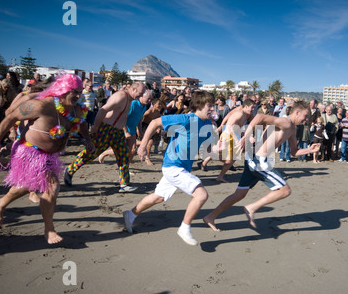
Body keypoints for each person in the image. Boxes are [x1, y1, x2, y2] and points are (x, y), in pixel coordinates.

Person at [0, 74, 94, 244]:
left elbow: (82, 123)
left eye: (80, 92)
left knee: (27, 185)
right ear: (62, 91)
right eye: (74, 92)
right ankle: (49, 229)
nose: (78, 96)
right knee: (52, 186)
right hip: (29, 151)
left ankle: (0, 204)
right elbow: (10, 118)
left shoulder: (75, 109)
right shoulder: (41, 106)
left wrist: (87, 140)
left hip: (50, 155)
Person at [203, 100, 320, 232]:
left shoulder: (292, 129)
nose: (306, 119)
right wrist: (244, 137)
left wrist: (310, 150)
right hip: (259, 161)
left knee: (239, 194)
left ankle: (210, 216)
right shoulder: (285, 121)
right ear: (297, 112)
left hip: (254, 159)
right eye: (305, 116)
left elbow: (294, 152)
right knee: (285, 191)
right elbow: (260, 117)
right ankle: (251, 208)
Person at [123, 91, 216, 245]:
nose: (213, 109)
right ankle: (184, 227)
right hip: (173, 166)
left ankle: (130, 215)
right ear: (199, 105)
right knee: (201, 195)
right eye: (210, 106)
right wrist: (143, 145)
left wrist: (220, 148)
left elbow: (206, 148)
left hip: (183, 168)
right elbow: (154, 123)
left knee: (158, 197)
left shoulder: (207, 123)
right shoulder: (185, 119)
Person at [64, 82, 146, 192]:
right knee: (90, 153)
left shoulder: (131, 99)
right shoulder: (121, 96)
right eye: (140, 94)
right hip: (106, 130)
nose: (141, 97)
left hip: (118, 132)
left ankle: (124, 184)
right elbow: (103, 110)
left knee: (123, 156)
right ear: (134, 90)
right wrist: (95, 127)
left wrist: (125, 130)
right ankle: (69, 170)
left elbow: (123, 116)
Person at [199, 98, 255, 183]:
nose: (253, 110)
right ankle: (219, 175)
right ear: (246, 106)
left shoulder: (245, 114)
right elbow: (229, 127)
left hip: (232, 136)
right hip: (228, 136)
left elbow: (238, 128)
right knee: (230, 159)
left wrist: (246, 136)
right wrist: (237, 140)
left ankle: (212, 158)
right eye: (252, 107)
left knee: (231, 159)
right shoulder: (239, 114)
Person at [98, 89, 155, 165]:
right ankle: (104, 153)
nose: (149, 100)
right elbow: (123, 117)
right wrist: (125, 131)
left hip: (132, 130)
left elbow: (139, 119)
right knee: (121, 150)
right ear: (142, 96)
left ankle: (126, 167)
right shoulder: (133, 104)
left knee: (133, 150)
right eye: (148, 98)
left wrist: (140, 130)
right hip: (123, 129)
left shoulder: (144, 106)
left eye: (151, 99)